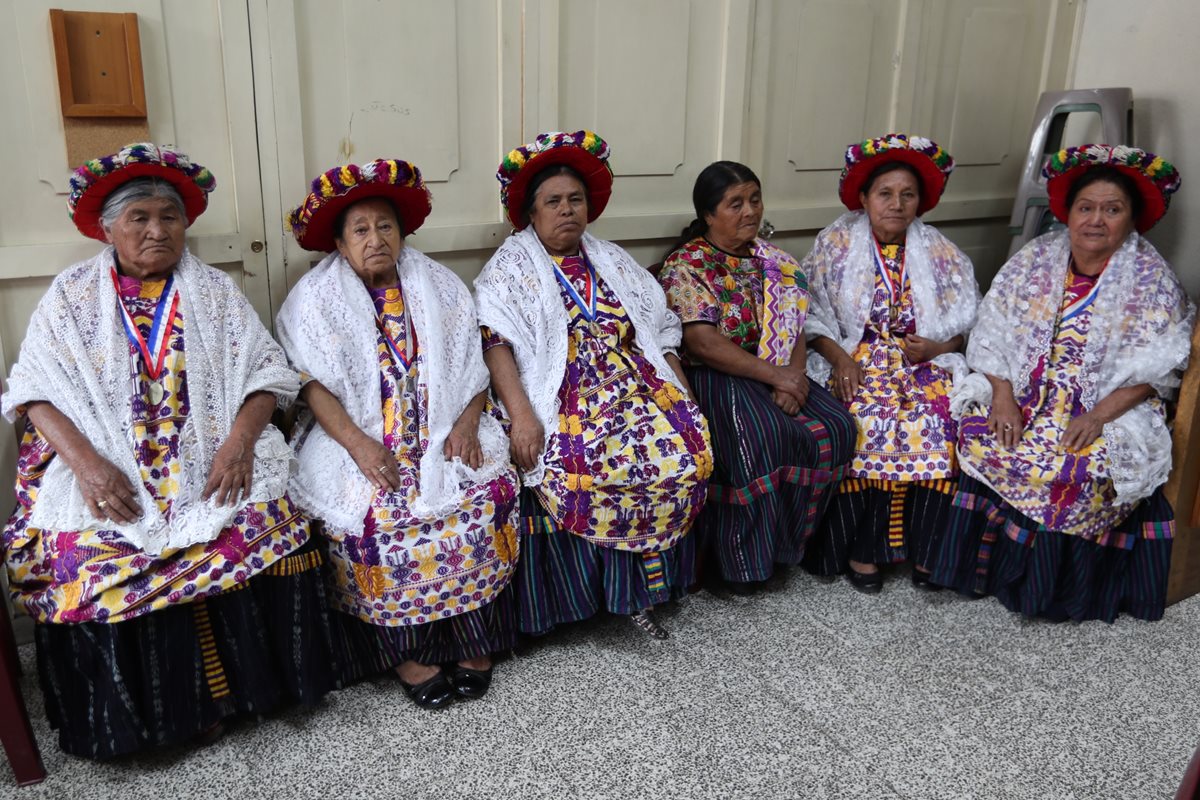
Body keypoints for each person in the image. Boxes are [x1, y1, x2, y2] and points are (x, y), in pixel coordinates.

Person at [0, 143, 335, 759]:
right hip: (109, 469)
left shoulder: (212, 292)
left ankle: (238, 695)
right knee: (86, 556)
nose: (158, 231)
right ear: (108, 229)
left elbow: (267, 374)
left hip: (208, 459)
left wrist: (238, 445)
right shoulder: (70, 295)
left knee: (264, 520)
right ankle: (159, 715)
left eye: (170, 218)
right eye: (140, 218)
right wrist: (87, 465)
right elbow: (33, 394)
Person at [277, 159, 519, 708]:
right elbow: (312, 386)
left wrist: (463, 424)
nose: (375, 239)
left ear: (403, 232)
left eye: (385, 226)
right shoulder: (313, 301)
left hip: (442, 429)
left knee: (484, 496)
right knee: (377, 518)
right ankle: (411, 656)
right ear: (338, 244)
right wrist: (361, 446)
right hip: (356, 439)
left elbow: (472, 370)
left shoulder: (440, 285)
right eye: (359, 230)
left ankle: (473, 643)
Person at [930, 144, 1193, 622]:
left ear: (1131, 218)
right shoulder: (1036, 261)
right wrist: (1004, 396)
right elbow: (993, 331)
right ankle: (985, 571)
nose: (1096, 220)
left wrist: (1095, 417)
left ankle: (1048, 593)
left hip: (1106, 406)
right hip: (1031, 395)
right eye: (1085, 207)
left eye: (1112, 210)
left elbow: (1159, 374)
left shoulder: (1150, 280)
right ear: (1067, 213)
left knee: (1073, 470)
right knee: (984, 437)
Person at [475, 130, 712, 640]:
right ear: (531, 213)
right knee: (589, 466)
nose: (567, 211)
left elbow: (660, 328)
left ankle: (652, 588)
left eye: (575, 200)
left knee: (687, 451)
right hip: (561, 391)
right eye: (553, 202)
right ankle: (621, 597)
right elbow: (495, 344)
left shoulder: (612, 259)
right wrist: (522, 416)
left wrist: (680, 386)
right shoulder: (510, 268)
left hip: (636, 382)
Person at [657, 161, 855, 593]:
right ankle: (741, 566)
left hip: (780, 367)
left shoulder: (776, 263)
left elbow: (795, 322)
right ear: (709, 214)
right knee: (760, 437)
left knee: (837, 427)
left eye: (754, 199)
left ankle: (794, 548)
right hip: (719, 375)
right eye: (735, 204)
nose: (750, 211)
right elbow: (702, 342)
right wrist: (778, 377)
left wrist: (796, 377)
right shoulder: (687, 265)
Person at [802, 134, 980, 593]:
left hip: (922, 361)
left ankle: (926, 551)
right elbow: (810, 316)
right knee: (867, 418)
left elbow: (971, 322)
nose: (896, 205)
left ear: (921, 201)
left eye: (907, 195)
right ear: (863, 198)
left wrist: (941, 350)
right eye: (884, 194)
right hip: (856, 358)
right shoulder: (835, 244)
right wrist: (841, 358)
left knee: (940, 421)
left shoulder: (942, 252)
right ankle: (864, 549)